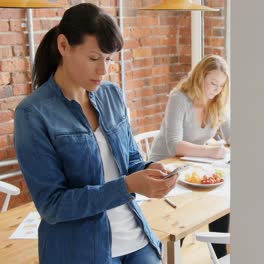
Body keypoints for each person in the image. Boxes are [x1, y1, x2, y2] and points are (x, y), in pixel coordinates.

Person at [14, 3, 177, 264]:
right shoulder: (33, 115)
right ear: (64, 46)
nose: (104, 70)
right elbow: (52, 205)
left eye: (109, 59)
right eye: (94, 58)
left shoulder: (112, 95)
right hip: (80, 252)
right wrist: (127, 186)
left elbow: (131, 161)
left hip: (135, 239)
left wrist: (150, 169)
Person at [149, 54, 231, 258]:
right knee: (186, 215)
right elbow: (175, 145)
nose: (216, 90)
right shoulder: (179, 98)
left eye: (221, 86)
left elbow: (232, 135)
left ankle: (220, 254)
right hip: (164, 167)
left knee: (220, 201)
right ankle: (167, 256)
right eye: (213, 83)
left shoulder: (217, 101)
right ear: (200, 76)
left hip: (192, 166)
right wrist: (211, 150)